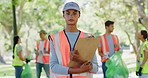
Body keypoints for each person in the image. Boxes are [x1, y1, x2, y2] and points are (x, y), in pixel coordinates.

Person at [50, 2, 98, 78]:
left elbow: (95, 68)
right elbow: (53, 66)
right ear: (63, 15)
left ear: (79, 15)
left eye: (74, 13)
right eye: (68, 13)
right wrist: (79, 70)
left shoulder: (88, 37)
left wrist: (81, 60)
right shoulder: (54, 38)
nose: (71, 16)